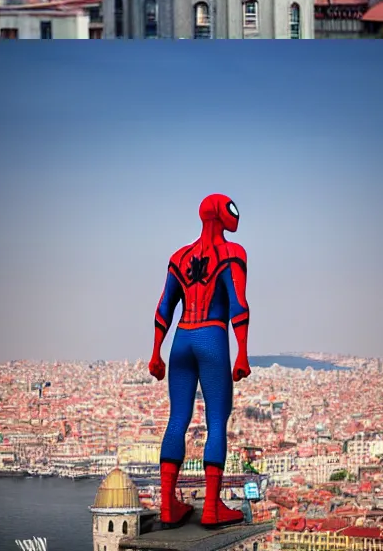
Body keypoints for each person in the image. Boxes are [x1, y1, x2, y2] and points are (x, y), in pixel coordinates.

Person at [149, 195, 251, 526]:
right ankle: (211, 508)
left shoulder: (179, 257)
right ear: (222, 215)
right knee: (217, 421)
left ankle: (168, 506)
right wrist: (243, 353)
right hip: (211, 336)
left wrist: (156, 352)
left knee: (177, 418)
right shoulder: (233, 254)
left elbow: (164, 306)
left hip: (181, 338)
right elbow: (238, 305)